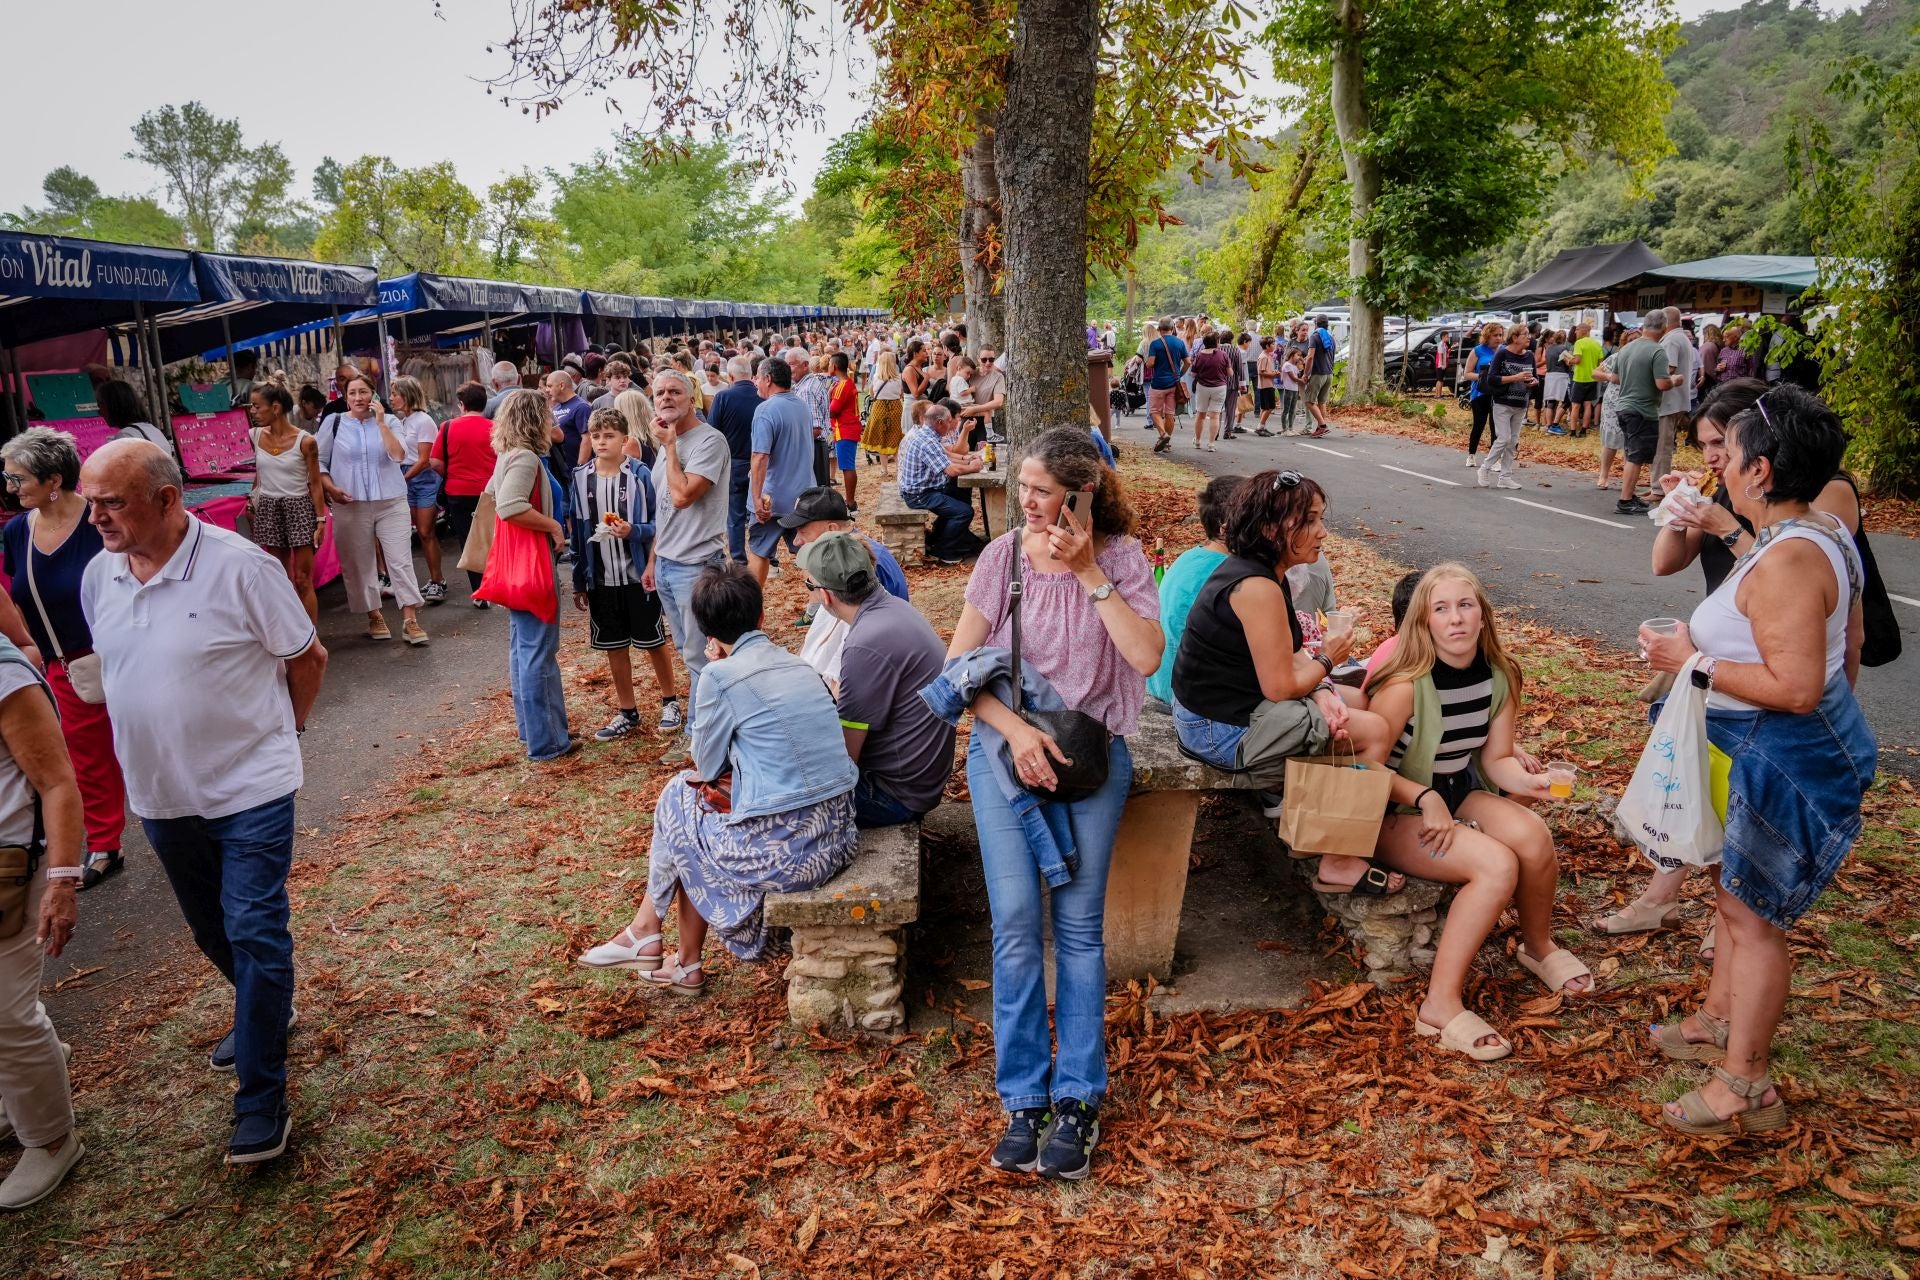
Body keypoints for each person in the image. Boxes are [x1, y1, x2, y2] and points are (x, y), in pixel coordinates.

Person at [79, 439, 329, 1165]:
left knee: (253, 927)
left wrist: (289, 731)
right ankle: (266, 1011)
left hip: (250, 784)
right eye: (91, 501)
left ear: (166, 499)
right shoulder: (101, 576)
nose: (96, 516)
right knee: (211, 930)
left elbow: (307, 657)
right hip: (160, 795)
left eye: (112, 501)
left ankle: (260, 1099)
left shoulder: (239, 567)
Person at [1637, 385, 1875, 1135]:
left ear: (1762, 470)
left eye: (1728, 454)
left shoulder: (1789, 559)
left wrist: (1692, 660)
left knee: (1756, 918)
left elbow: (1798, 689)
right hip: (1761, 749)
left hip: (1788, 757)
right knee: (1736, 905)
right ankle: (1717, 1021)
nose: (1720, 466)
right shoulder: (1808, 531)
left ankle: (1745, 1085)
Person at [929, 426, 1162, 1181]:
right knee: (1018, 926)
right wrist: (1015, 730)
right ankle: (1024, 1096)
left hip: (1092, 762)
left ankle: (1079, 1100)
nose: (1025, 501)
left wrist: (1092, 573)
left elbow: (1147, 658)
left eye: (1040, 490)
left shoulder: (1121, 560)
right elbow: (958, 666)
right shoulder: (1002, 559)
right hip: (1006, 758)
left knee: (1081, 931)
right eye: (1021, 487)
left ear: (1082, 495)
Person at [575, 565, 859, 992]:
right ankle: (680, 961)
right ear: (761, 618)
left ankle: (645, 931)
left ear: (707, 632)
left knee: (678, 796)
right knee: (691, 823)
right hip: (837, 836)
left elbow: (704, 767)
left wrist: (716, 672)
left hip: (787, 856)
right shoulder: (801, 667)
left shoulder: (719, 676)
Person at [1368, 565, 1591, 1061]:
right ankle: (1439, 1004)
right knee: (1496, 865)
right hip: (1392, 809)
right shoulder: (1404, 686)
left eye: (1465, 606)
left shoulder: (1501, 675)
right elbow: (1366, 768)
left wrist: (1530, 782)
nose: (1456, 619)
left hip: (1455, 792)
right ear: (1422, 622)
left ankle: (1538, 946)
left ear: (1484, 616)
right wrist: (1423, 798)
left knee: (1532, 834)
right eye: (1440, 609)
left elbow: (1495, 760)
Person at [1170, 470, 1403, 894]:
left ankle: (1311, 831)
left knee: (1359, 699)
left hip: (1221, 709)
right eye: (1310, 521)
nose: (1323, 532)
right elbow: (1279, 687)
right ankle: (1337, 859)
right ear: (1270, 529)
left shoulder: (1263, 571)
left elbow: (1290, 653)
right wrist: (1329, 659)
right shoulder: (1256, 586)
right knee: (1372, 732)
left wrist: (1323, 688)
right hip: (1216, 731)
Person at [1, 429, 127, 890]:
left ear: (54, 479)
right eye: (8, 477)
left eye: (18, 478)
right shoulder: (17, 532)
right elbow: (18, 598)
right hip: (66, 665)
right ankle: (106, 843)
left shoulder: (99, 523)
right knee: (87, 759)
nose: (10, 487)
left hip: (125, 654)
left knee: (153, 741)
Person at [0, 628, 86, 1208]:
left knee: (6, 1012)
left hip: (8, 870)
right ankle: (17, 1098)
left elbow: (57, 782)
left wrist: (61, 880)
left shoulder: (3, 674)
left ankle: (51, 1138)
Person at [798, 533, 953, 827]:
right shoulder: (894, 608)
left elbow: (845, 759)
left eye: (809, 586)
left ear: (826, 596)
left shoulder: (864, 644)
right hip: (917, 782)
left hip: (893, 797)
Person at [569, 409, 682, 742]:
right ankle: (627, 711)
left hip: (637, 576)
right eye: (596, 436)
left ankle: (670, 701)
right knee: (614, 646)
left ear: (624, 439)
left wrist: (634, 533)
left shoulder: (639, 475)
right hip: (601, 579)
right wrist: (580, 578)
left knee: (653, 641)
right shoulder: (580, 477)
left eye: (609, 436)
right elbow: (577, 530)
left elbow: (658, 526)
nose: (602, 442)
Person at [483, 391, 573, 762]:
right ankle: (548, 741)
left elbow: (491, 495)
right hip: (531, 563)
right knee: (538, 652)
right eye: (547, 415)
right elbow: (508, 506)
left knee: (524, 649)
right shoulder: (525, 458)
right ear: (534, 419)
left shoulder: (508, 454)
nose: (553, 421)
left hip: (515, 563)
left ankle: (536, 729)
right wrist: (552, 525)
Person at [644, 370, 732, 734]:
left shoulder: (709, 442)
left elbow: (682, 497)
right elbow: (662, 507)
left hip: (696, 565)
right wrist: (653, 560)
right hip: (667, 564)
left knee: (703, 657)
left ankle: (700, 735)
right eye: (659, 393)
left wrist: (668, 447)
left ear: (691, 398)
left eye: (675, 392)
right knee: (687, 650)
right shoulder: (666, 443)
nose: (666, 398)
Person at [317, 375, 429, 646]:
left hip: (390, 501)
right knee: (358, 563)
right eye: (353, 393)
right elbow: (318, 462)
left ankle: (410, 619)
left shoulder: (390, 422)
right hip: (350, 503)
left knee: (400, 560)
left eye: (364, 392)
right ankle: (374, 615)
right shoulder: (333, 424)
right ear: (345, 397)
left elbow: (399, 455)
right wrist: (331, 488)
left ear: (373, 395)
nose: (358, 398)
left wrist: (380, 423)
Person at [785, 487, 911, 682]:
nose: (796, 541)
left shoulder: (854, 568)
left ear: (831, 530)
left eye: (803, 532)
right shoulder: (849, 553)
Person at [1146, 474, 1241, 706]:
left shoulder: (1193, 556)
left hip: (1161, 683)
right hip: (1184, 695)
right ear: (1229, 526)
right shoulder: (1229, 572)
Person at [245, 385, 326, 626]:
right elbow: (260, 473)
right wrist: (252, 501)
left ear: (276, 408)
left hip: (299, 508)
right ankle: (288, 632)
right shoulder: (255, 436)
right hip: (269, 508)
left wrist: (320, 520)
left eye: (257, 406)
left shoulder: (306, 442)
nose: (252, 411)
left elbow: (315, 483)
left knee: (302, 579)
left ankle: (310, 639)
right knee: (279, 578)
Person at [1595, 313, 1680, 515]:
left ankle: (1629, 495)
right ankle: (1625, 500)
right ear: (1664, 327)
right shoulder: (1657, 351)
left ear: (1644, 326)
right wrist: (1675, 380)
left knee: (1633, 452)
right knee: (1635, 456)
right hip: (1643, 409)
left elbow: (1614, 378)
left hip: (1623, 406)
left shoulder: (1625, 349)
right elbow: (1662, 383)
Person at [746, 357, 814, 584]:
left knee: (759, 552)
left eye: (757, 376)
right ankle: (816, 608)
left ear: (768, 379)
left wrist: (756, 498)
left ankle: (752, 609)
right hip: (802, 496)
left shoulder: (765, 410)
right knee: (807, 554)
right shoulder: (801, 405)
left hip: (771, 500)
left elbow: (760, 456)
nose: (755, 381)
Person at [432, 382, 500, 603]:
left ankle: (479, 591)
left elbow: (435, 462)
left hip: (458, 491)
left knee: (468, 539)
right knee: (493, 536)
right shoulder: (496, 427)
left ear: (461, 404)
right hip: (490, 490)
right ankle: (496, 583)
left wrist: (452, 473)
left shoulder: (448, 427)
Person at [898, 404, 985, 564]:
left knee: (960, 493)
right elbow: (951, 470)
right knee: (964, 511)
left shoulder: (927, 435)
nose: (953, 424)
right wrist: (972, 467)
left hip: (926, 489)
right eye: (949, 420)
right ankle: (944, 551)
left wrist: (968, 460)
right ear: (939, 422)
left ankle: (941, 536)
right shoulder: (927, 442)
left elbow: (946, 458)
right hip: (918, 495)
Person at [388, 377, 447, 605]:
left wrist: (402, 479)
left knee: (425, 531)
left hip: (421, 478)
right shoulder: (404, 421)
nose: (392, 398)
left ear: (408, 394)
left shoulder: (423, 421)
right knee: (416, 533)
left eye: (396, 393)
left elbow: (424, 460)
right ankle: (429, 580)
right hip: (409, 476)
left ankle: (438, 580)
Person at [705, 354, 760, 567]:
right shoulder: (762, 397)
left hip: (733, 463)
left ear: (729, 375)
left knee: (735, 514)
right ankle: (764, 555)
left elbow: (712, 431)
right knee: (759, 510)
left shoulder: (724, 398)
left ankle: (738, 559)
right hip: (759, 461)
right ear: (751, 374)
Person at [1478, 326, 1534, 490]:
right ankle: (1485, 468)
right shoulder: (1502, 353)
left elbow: (1535, 377)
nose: (1528, 337)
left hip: (1521, 403)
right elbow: (1492, 378)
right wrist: (1515, 377)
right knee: (1504, 438)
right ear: (1515, 337)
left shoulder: (1529, 355)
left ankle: (1505, 477)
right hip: (1502, 402)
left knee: (1513, 442)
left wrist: (1534, 382)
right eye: (1525, 334)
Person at [1655, 306, 1697, 484]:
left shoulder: (1671, 340)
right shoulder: (1682, 337)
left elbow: (1668, 369)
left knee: (1662, 446)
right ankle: (1658, 481)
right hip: (1677, 399)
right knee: (1665, 444)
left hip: (1668, 401)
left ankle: (1659, 486)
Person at [1461, 322, 1504, 467]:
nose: (1498, 338)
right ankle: (1471, 455)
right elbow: (1467, 374)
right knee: (1479, 424)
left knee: (1495, 426)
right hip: (1479, 393)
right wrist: (1483, 376)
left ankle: (1494, 459)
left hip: (1497, 393)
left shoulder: (1503, 351)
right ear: (1487, 336)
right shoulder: (1477, 351)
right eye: (1495, 335)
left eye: (1500, 335)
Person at [1143, 320, 1189, 454]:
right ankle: (1167, 445)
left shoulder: (1155, 343)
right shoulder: (1179, 343)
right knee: (1170, 414)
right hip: (1174, 383)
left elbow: (1151, 363)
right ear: (1172, 328)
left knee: (1154, 411)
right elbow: (1188, 362)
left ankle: (1163, 435)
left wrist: (1148, 362)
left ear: (1159, 329)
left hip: (1158, 384)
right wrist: (1180, 373)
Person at [543, 370, 593, 481]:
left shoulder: (581, 407)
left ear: (561, 385)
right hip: (561, 472)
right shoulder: (555, 407)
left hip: (576, 474)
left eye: (550, 386)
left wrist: (580, 468)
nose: (547, 390)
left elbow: (587, 438)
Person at [1188, 331, 1232, 452]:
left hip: (1202, 387)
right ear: (1216, 343)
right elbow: (1230, 373)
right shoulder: (1223, 355)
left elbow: (1193, 374)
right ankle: (1211, 444)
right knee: (1215, 416)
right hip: (1219, 387)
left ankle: (1197, 441)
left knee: (1200, 414)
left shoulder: (1199, 356)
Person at [865, 351, 905, 479]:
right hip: (895, 408)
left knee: (882, 439)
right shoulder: (899, 378)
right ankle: (899, 469)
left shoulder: (876, 377)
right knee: (896, 438)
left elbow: (872, 394)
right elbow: (901, 394)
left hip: (879, 408)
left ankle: (884, 469)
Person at [96, 380, 168, 447]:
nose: (100, 412)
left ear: (112, 406)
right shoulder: (153, 430)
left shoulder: (126, 435)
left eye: (101, 406)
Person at [1301, 316, 1337, 436]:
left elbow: (1310, 357)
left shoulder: (1315, 336)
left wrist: (1306, 374)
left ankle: (1322, 425)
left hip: (1318, 374)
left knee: (1308, 400)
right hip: (1329, 373)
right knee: (1322, 402)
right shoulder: (1331, 337)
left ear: (1316, 323)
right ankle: (1320, 427)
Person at [1542, 330, 1571, 432]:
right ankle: (1555, 424)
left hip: (1549, 375)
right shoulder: (1563, 348)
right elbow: (1569, 362)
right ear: (1564, 339)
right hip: (1561, 376)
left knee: (1551, 401)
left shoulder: (1549, 348)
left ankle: (1549, 426)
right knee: (1567, 400)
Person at [1254, 337, 1279, 435]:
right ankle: (1260, 427)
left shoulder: (1268, 355)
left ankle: (1262, 426)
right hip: (1265, 385)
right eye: (1272, 344)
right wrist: (1272, 374)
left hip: (1268, 384)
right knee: (1269, 407)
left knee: (1265, 407)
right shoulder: (1263, 356)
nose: (1274, 346)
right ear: (1267, 346)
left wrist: (1273, 372)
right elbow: (1261, 372)